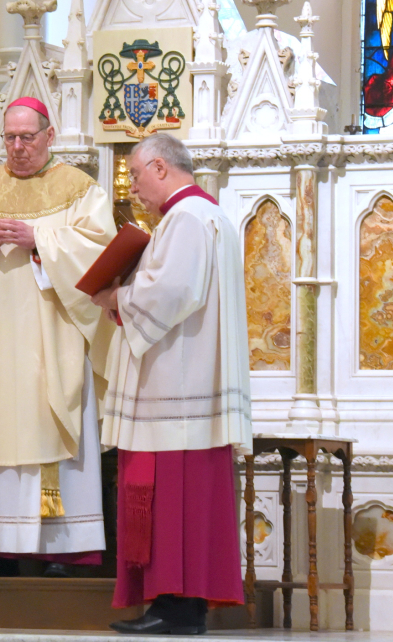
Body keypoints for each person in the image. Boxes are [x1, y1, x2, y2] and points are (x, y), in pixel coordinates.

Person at [0, 97, 116, 578]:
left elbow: (101, 251)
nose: (16, 148)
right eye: (9, 138)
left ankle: (60, 548)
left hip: (51, 339)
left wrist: (42, 242)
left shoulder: (80, 189)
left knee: (49, 420)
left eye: (26, 138)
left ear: (49, 137)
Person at [90, 133, 251, 635]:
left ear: (159, 167)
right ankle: (181, 608)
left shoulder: (184, 219)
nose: (134, 189)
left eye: (136, 176)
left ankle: (176, 609)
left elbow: (173, 292)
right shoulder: (212, 215)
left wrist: (116, 298)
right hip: (191, 380)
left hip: (176, 386)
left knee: (173, 502)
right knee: (188, 505)